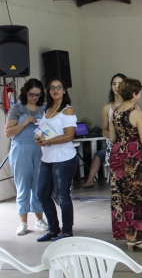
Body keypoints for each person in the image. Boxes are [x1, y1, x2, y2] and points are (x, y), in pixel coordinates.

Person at [109, 78, 142, 251]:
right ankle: (136, 238)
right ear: (134, 94)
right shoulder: (137, 114)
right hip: (133, 157)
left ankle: (129, 236)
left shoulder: (115, 112)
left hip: (117, 156)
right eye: (139, 92)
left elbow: (112, 138)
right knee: (137, 198)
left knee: (123, 197)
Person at [35, 77, 78, 242]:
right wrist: (39, 139)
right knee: (42, 194)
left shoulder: (67, 110)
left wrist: (47, 141)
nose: (55, 90)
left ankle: (67, 231)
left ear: (64, 90)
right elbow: (42, 130)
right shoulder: (47, 109)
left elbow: (69, 136)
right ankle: (53, 229)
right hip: (47, 158)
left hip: (64, 158)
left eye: (59, 87)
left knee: (62, 196)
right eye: (52, 87)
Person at [4, 79, 49, 236]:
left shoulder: (43, 109)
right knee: (23, 186)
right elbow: (8, 132)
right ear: (25, 93)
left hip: (39, 149)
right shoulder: (17, 109)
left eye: (38, 95)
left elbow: (49, 131)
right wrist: (25, 123)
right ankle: (23, 222)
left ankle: (39, 218)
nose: (35, 98)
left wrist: (45, 135)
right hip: (21, 148)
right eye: (32, 94)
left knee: (38, 186)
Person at [83, 73, 126, 188]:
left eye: (120, 84)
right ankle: (90, 180)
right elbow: (104, 131)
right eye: (114, 84)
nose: (116, 86)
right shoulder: (107, 108)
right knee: (101, 155)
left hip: (128, 143)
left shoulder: (133, 106)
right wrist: (115, 136)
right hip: (113, 144)